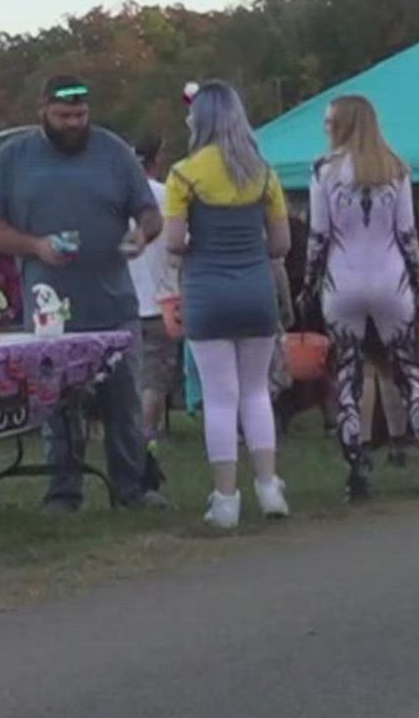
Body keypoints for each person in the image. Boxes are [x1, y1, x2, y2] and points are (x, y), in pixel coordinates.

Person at [0, 76, 170, 512]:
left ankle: (133, 488)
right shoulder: (13, 158)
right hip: (49, 307)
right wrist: (35, 246)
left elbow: (149, 213)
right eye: (63, 116)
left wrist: (141, 235)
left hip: (113, 302)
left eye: (80, 115)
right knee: (57, 406)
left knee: (123, 402)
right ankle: (63, 491)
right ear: (42, 111)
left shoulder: (114, 151)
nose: (73, 124)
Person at [162, 82, 291, 530]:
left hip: (208, 294)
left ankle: (226, 499)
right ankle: (270, 486)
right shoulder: (265, 174)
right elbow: (281, 244)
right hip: (256, 292)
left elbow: (174, 243)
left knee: (220, 399)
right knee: (256, 393)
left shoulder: (183, 175)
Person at [308, 95, 419, 501]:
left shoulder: (323, 171)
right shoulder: (396, 170)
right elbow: (407, 236)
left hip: (343, 281)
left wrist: (309, 288)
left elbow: (319, 238)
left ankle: (357, 471)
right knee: (408, 371)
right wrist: (417, 287)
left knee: (349, 375)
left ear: (343, 124)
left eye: (330, 121)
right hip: (391, 281)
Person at [128, 133, 179, 457]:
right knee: (155, 377)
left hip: (126, 297)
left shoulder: (117, 199)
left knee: (132, 374)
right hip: (164, 296)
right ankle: (146, 435)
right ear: (155, 161)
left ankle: (129, 433)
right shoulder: (166, 195)